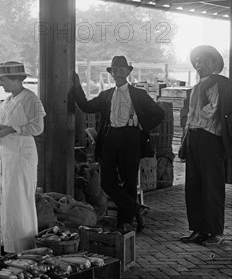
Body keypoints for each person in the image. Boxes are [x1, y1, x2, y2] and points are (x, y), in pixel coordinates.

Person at [69, 56, 165, 232]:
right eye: (115, 71)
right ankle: (137, 210)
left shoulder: (139, 94)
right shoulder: (106, 95)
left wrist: (143, 127)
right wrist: (76, 86)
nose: (118, 74)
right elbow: (86, 106)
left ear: (128, 72)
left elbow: (160, 114)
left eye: (122, 70)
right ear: (111, 73)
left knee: (129, 182)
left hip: (131, 138)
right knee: (107, 182)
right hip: (110, 139)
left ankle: (124, 222)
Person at [0, 61, 45, 253]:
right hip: (4, 154)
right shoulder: (7, 101)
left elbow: (37, 128)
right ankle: (4, 242)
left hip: (20, 155)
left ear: (15, 79)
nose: (1, 84)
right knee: (2, 196)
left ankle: (22, 246)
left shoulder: (30, 99)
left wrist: (11, 129)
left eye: (3, 80)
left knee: (18, 198)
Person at [179, 45, 232, 246]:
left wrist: (193, 117)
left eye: (204, 61)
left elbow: (211, 110)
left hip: (211, 139)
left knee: (212, 187)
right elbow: (190, 115)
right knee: (193, 187)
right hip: (194, 138)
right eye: (197, 62)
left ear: (214, 64)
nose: (200, 65)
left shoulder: (218, 85)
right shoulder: (195, 88)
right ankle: (198, 229)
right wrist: (186, 139)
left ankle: (215, 232)